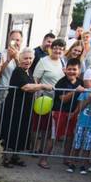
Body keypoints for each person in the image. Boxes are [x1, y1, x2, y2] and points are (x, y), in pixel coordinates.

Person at [0, 48, 40, 167]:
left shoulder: (28, 71)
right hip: (13, 108)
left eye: (30, 58)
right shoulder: (18, 71)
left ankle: (15, 156)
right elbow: (26, 87)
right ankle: (4, 158)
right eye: (25, 58)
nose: (28, 61)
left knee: (21, 132)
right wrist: (43, 86)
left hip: (25, 108)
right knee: (9, 131)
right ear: (20, 59)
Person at [32, 38, 67, 167]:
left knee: (48, 128)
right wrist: (38, 93)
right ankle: (35, 148)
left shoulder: (63, 62)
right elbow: (36, 79)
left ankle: (42, 150)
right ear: (51, 48)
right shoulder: (43, 61)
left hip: (56, 100)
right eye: (56, 48)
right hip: (43, 98)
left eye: (61, 49)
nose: (58, 50)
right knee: (39, 125)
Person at [52, 58, 84, 167]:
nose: (71, 72)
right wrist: (75, 90)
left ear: (79, 70)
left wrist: (75, 113)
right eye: (69, 69)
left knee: (70, 137)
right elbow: (63, 99)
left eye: (74, 69)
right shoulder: (61, 82)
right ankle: (44, 159)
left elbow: (81, 100)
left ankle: (66, 159)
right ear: (65, 70)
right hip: (59, 111)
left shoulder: (80, 82)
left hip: (72, 113)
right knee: (54, 136)